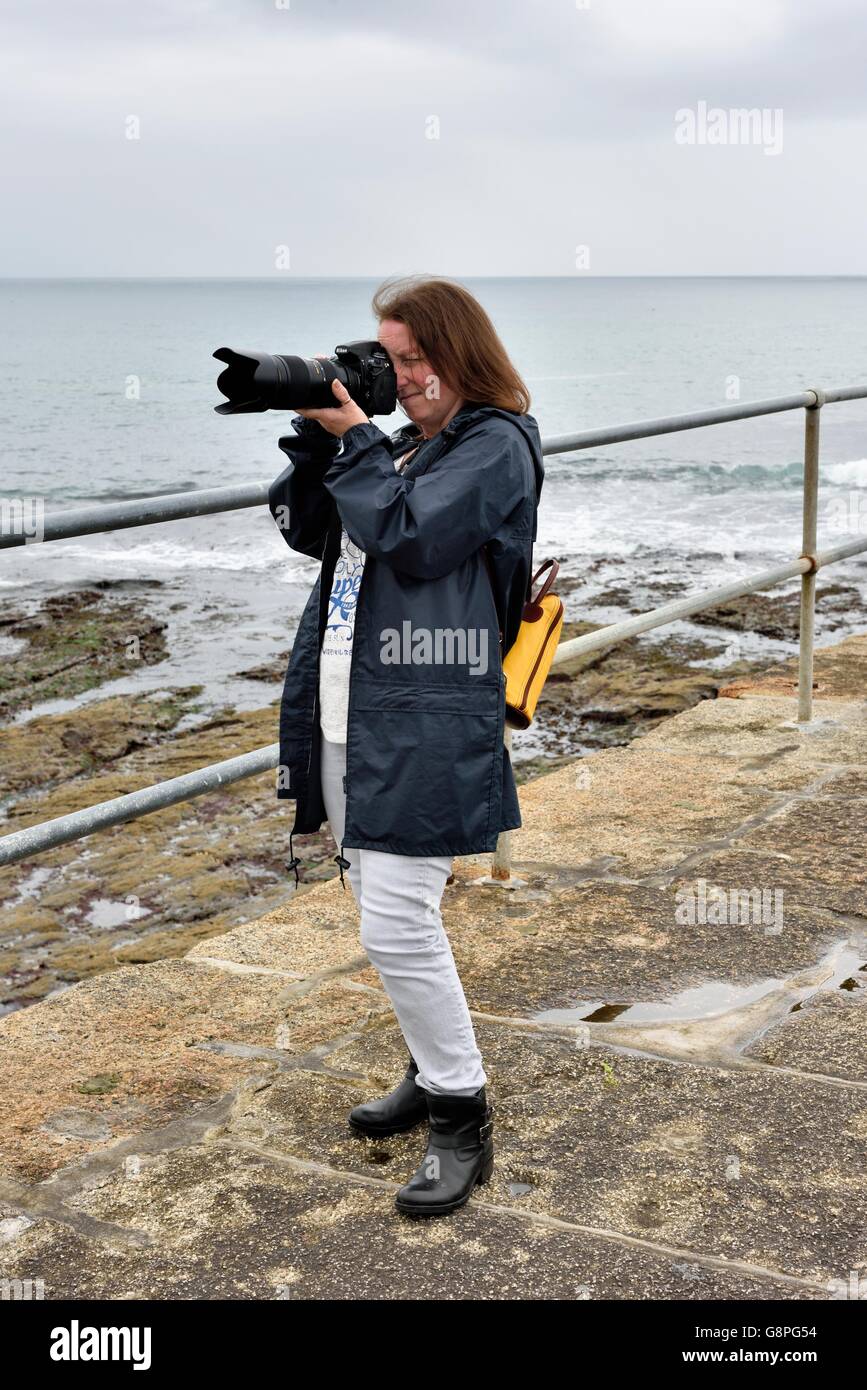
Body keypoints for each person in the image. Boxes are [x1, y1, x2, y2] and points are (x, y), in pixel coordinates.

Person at [268, 274, 544, 1217]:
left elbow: (413, 540)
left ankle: (461, 1112)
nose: (402, 374)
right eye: (388, 357)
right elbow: (312, 533)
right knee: (381, 912)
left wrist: (356, 443)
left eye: (417, 357)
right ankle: (431, 1072)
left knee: (396, 921)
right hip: (349, 703)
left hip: (426, 709)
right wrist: (318, 436)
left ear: (461, 354)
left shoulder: (494, 446)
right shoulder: (408, 446)